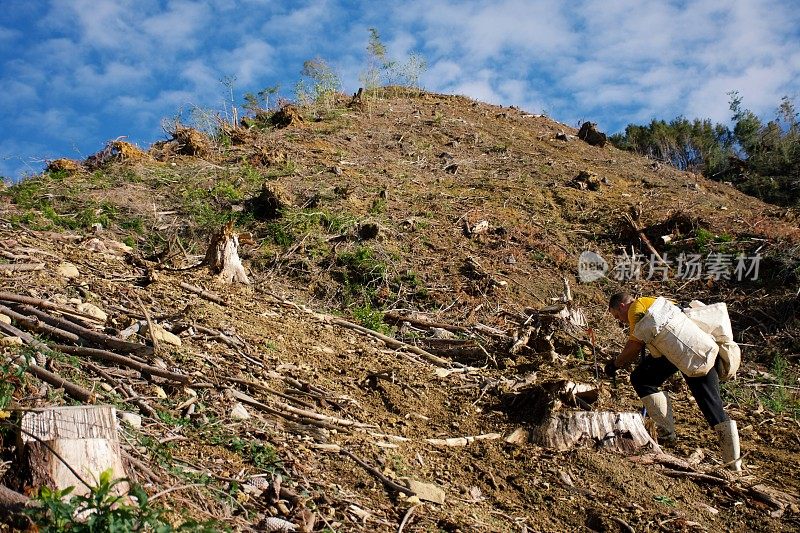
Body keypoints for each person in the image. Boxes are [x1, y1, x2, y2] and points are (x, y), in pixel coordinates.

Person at [605, 292, 742, 471]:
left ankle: (734, 465)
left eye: (617, 315)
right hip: (683, 352)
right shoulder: (654, 302)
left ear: (622, 306)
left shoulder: (635, 309)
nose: (620, 321)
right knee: (642, 378)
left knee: (713, 409)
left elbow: (634, 346)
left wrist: (615, 364)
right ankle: (665, 433)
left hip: (695, 357)